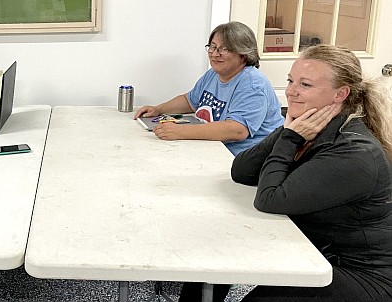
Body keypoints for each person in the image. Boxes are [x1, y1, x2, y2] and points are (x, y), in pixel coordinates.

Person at [231, 45, 392, 301]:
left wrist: (289, 137)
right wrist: (288, 133)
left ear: (341, 94)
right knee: (226, 264)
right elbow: (241, 171)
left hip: (363, 274)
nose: (291, 91)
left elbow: (270, 199)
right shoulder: (310, 125)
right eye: (290, 80)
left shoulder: (355, 152)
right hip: (320, 251)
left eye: (305, 85)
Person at [134, 21, 283, 156]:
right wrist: (159, 109)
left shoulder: (253, 85)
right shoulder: (213, 74)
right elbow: (189, 101)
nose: (214, 54)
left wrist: (179, 131)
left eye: (224, 49)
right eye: (212, 47)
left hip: (243, 159)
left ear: (243, 55)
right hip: (214, 149)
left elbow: (237, 130)